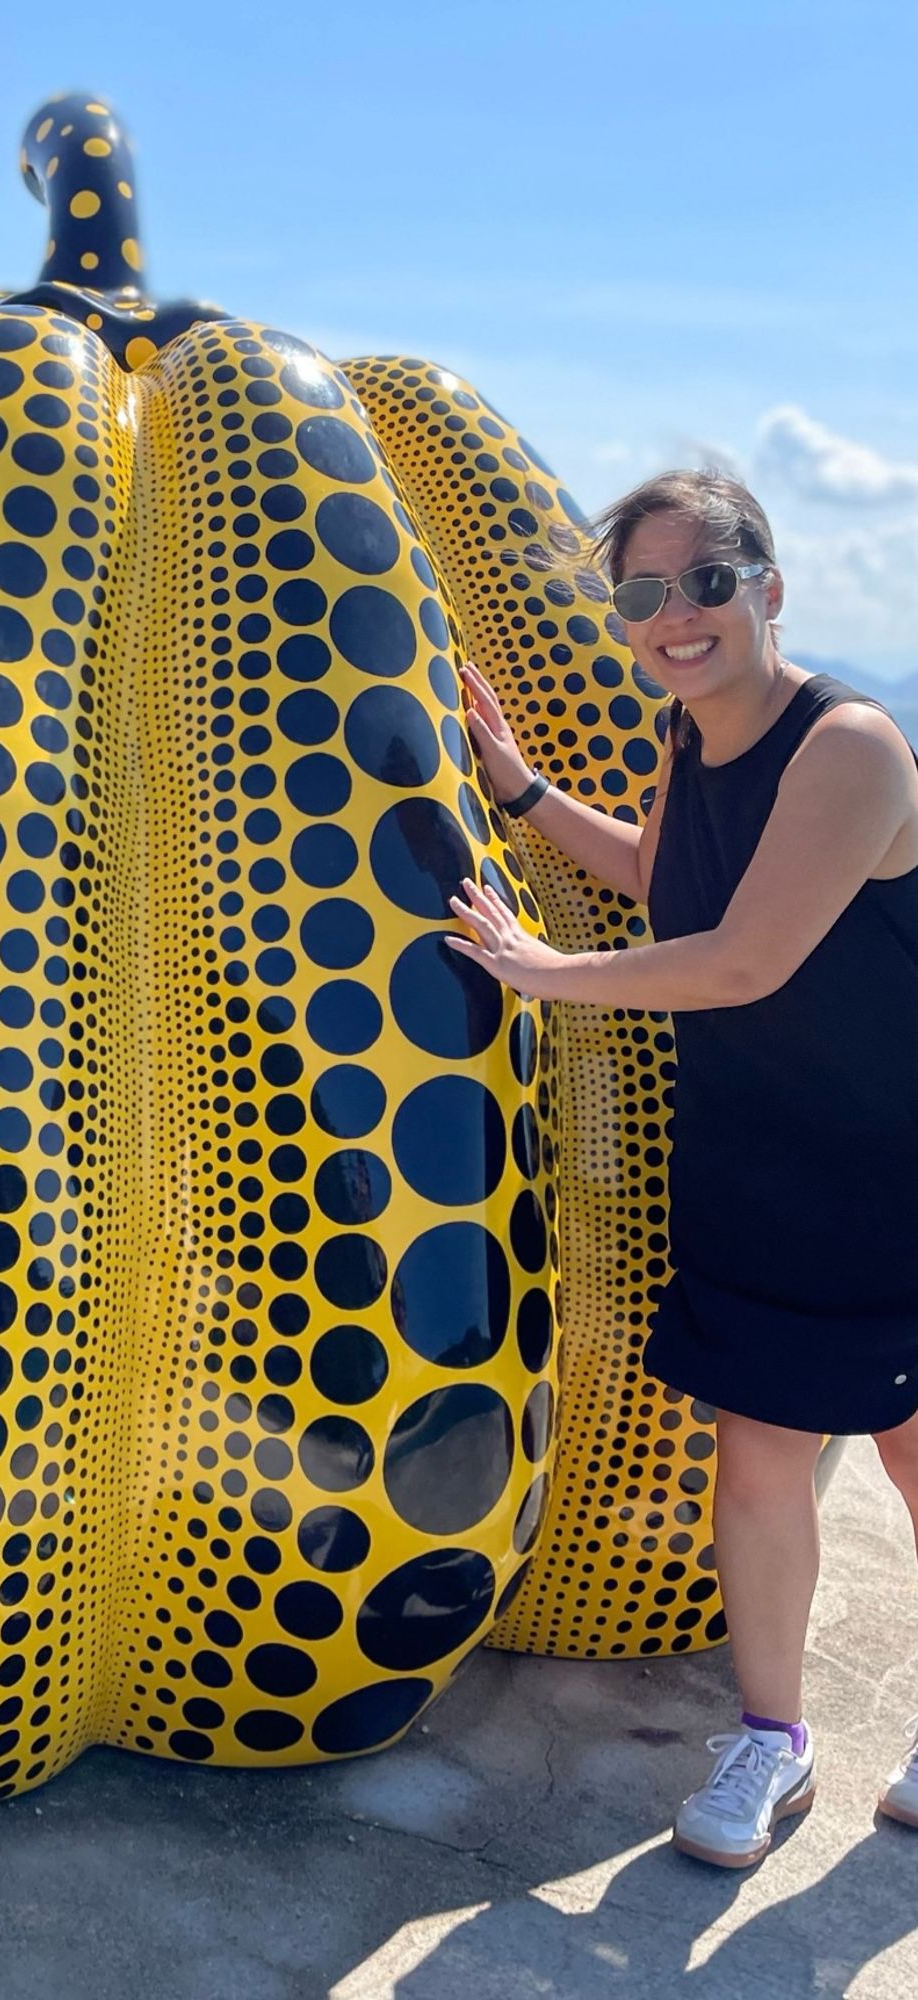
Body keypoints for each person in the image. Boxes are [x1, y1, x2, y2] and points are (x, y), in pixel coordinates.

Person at [448, 467, 918, 1869]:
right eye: (642, 594)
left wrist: (545, 976)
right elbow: (667, 883)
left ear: (765, 588)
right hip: (759, 1161)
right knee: (763, 1453)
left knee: (905, 1451)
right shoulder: (684, 737)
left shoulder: (850, 748)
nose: (673, 616)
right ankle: (771, 1745)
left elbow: (743, 957)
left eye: (702, 582)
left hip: (884, 1171)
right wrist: (520, 790)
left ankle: (784, 1736)